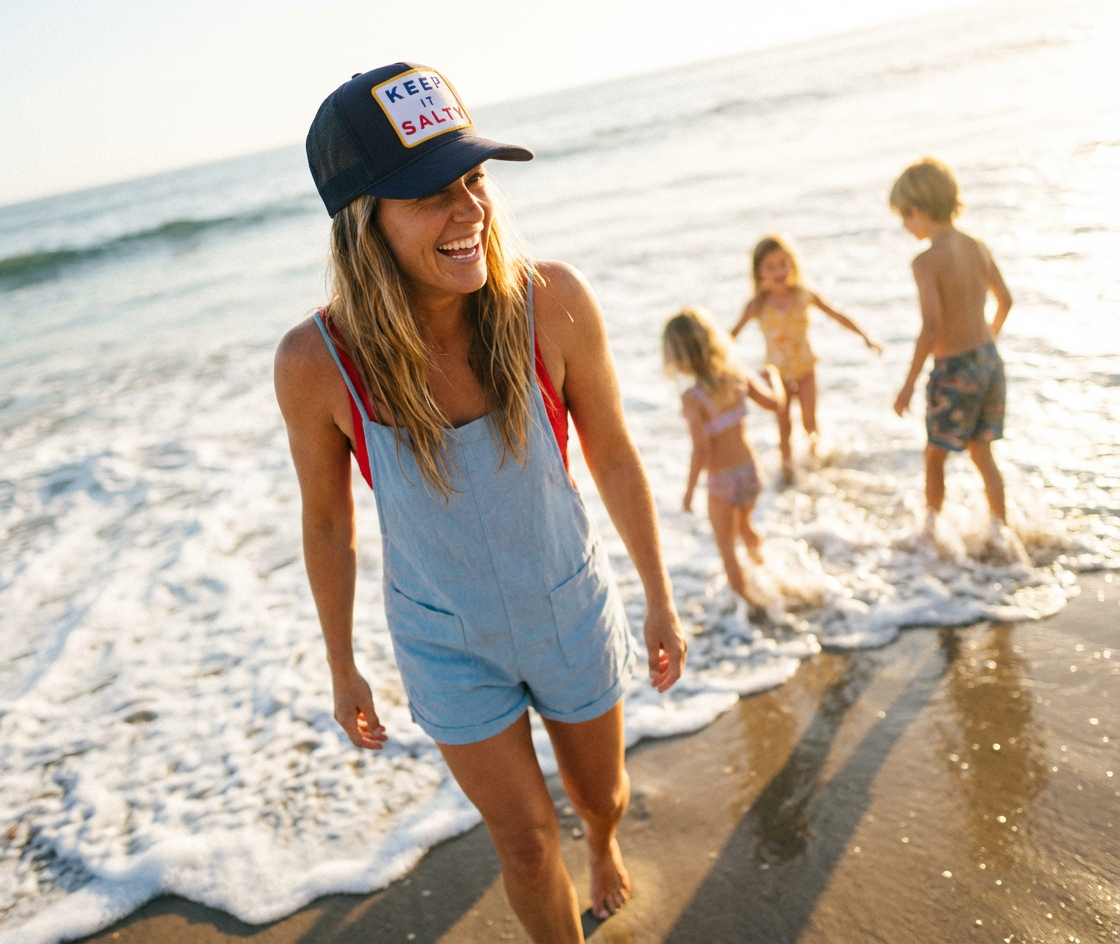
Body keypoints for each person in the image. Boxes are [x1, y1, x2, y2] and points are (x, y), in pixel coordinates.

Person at [274, 63, 687, 943]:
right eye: (431, 190)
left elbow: (612, 454)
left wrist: (659, 596)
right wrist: (342, 662)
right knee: (529, 843)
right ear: (364, 222)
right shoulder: (317, 363)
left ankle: (607, 847)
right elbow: (325, 521)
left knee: (600, 796)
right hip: (444, 643)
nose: (470, 209)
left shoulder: (552, 303)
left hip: (567, 605)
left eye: (474, 177)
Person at [888, 157, 1024, 562]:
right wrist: (984, 345)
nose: (904, 226)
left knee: (935, 456)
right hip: (988, 360)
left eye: (904, 217)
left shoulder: (926, 261)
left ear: (918, 210)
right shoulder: (977, 246)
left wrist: (909, 384)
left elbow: (931, 326)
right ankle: (1001, 533)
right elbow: (1007, 301)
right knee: (983, 452)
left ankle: (930, 532)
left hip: (953, 370)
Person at [663, 307, 786, 621]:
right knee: (745, 527)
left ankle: (751, 610)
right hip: (750, 472)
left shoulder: (692, 399)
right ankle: (766, 574)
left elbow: (700, 449)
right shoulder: (736, 375)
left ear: (677, 357)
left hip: (722, 481)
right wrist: (773, 377)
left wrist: (690, 491)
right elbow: (776, 403)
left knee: (727, 549)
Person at [730, 235, 882, 483]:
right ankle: (787, 470)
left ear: (793, 265)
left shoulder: (803, 295)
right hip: (776, 376)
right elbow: (730, 337)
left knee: (810, 421)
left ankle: (815, 464)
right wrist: (713, 364)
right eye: (770, 267)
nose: (778, 271)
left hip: (805, 369)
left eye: (783, 263)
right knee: (784, 426)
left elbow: (837, 315)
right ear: (758, 273)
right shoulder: (757, 305)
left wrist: (865, 336)